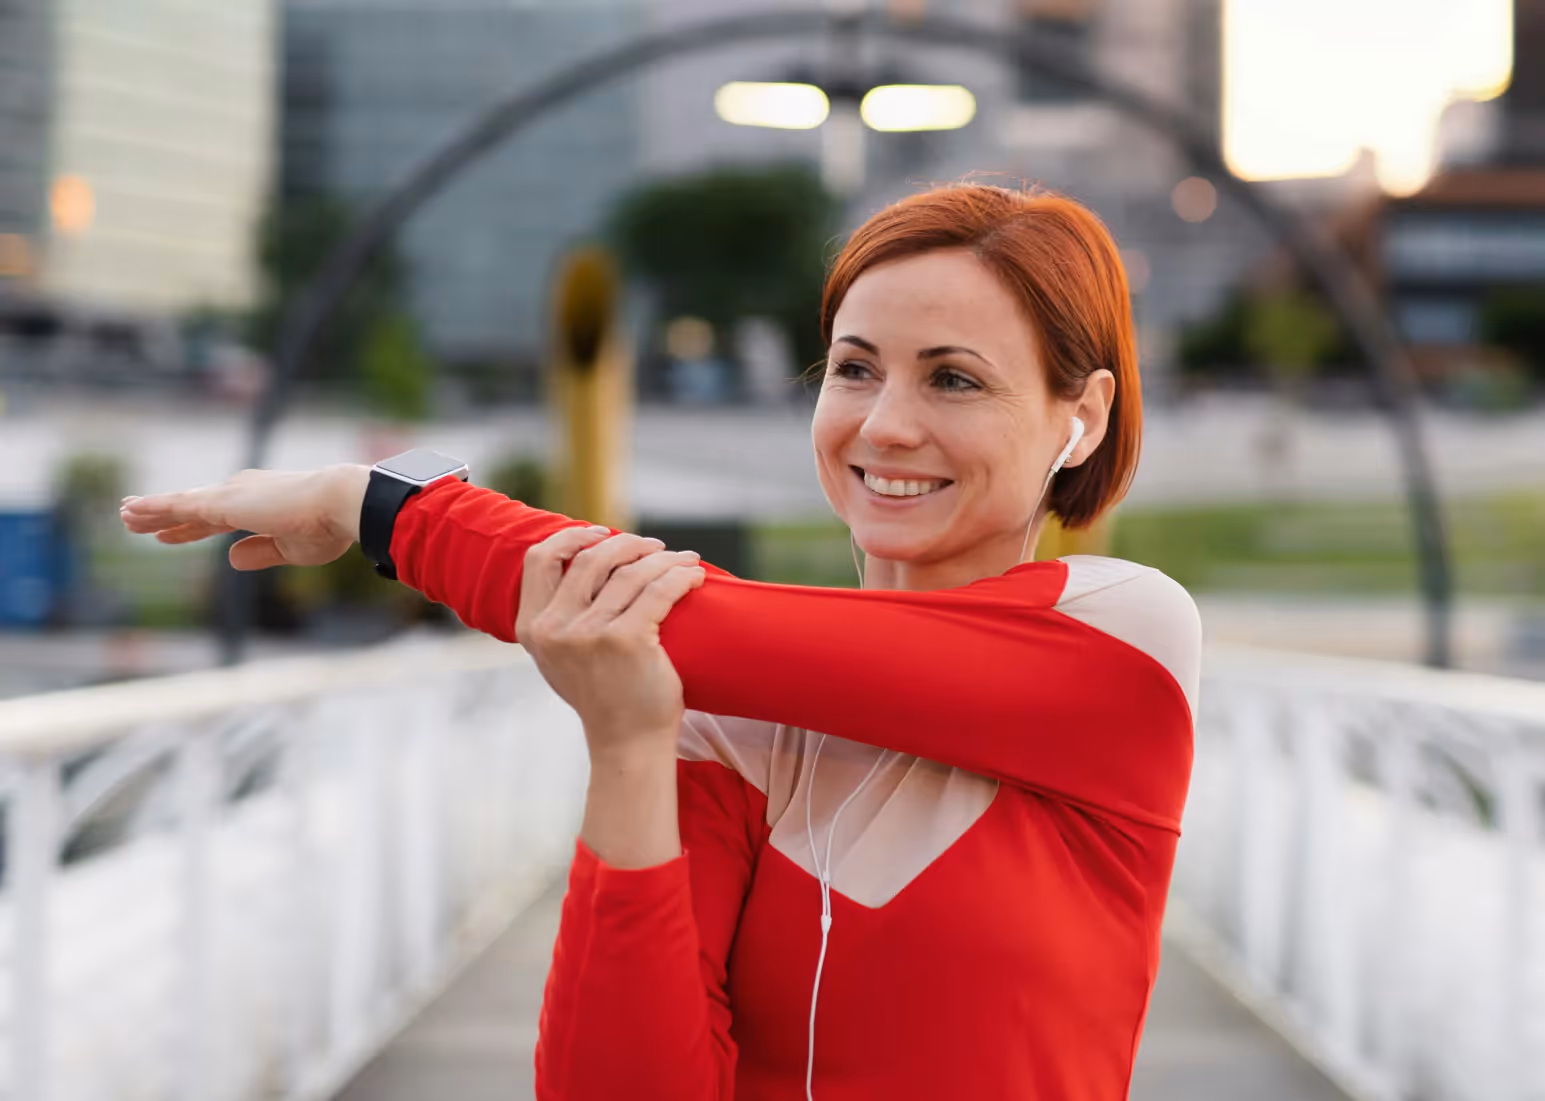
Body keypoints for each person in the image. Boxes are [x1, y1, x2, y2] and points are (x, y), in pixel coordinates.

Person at [121, 184, 1201, 1101]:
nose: (883, 425)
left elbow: (695, 617)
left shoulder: (1125, 638)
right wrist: (631, 750)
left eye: (953, 378)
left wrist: (377, 505)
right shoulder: (728, 722)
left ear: (1084, 416)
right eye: (855, 367)